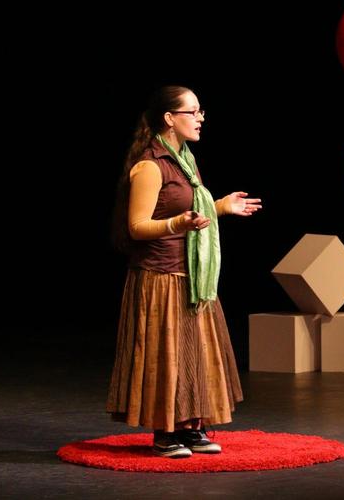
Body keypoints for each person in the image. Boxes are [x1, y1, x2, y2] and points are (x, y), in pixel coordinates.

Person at [106, 85, 261, 458]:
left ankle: (192, 427)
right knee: (166, 355)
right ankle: (165, 432)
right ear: (169, 118)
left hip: (193, 275)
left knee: (193, 353)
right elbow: (137, 227)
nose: (200, 118)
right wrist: (178, 223)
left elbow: (194, 209)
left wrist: (221, 206)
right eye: (192, 112)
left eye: (200, 110)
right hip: (160, 276)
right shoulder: (150, 165)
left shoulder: (184, 161)